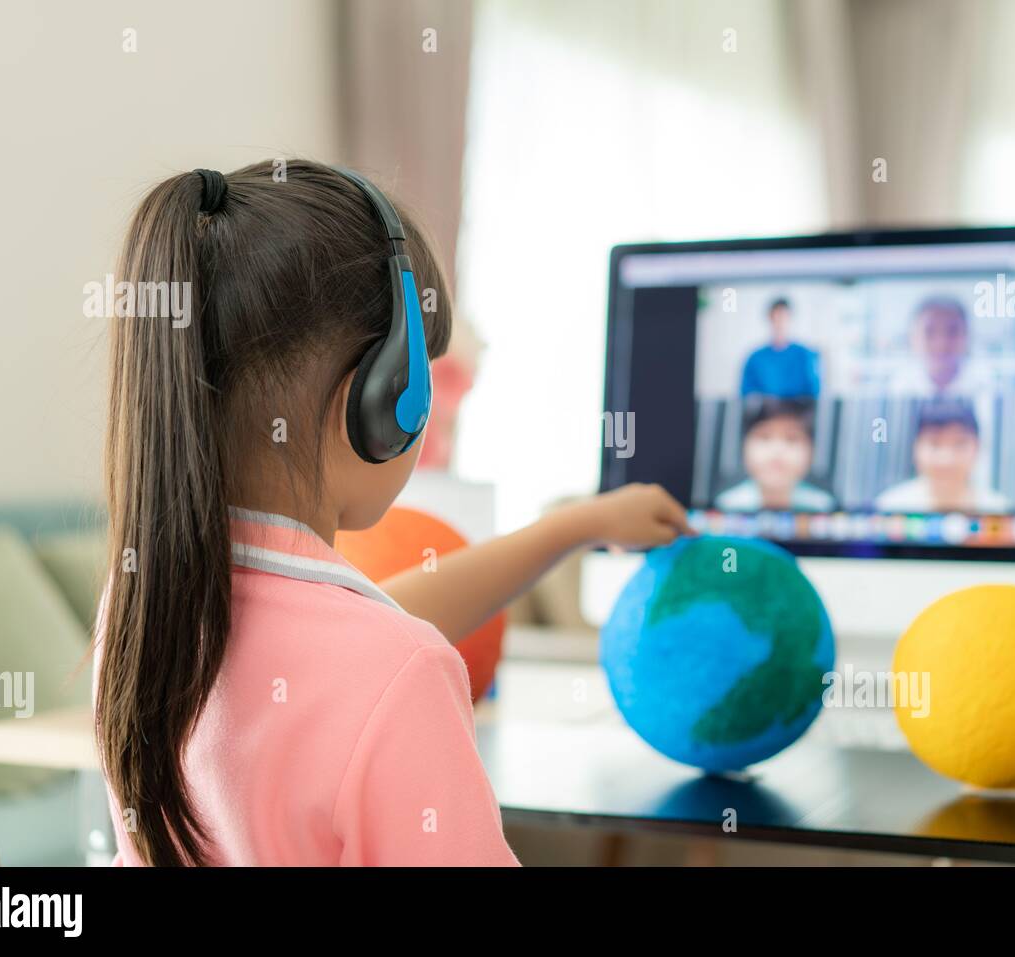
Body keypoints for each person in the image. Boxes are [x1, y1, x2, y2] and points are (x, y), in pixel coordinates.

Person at [94, 161, 691, 866]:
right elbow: (376, 663)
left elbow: (350, 645)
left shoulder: (141, 609)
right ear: (385, 400)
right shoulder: (395, 673)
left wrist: (576, 525)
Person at [875, 399, 1009, 513]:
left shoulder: (999, 509)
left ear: (978, 448)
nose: (946, 460)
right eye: (934, 444)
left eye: (959, 444)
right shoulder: (889, 506)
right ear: (915, 448)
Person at [716, 397, 835, 512]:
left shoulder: (823, 507)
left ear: (811, 450)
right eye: (764, 437)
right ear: (743, 447)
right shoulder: (725, 505)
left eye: (791, 439)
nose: (777, 450)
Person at [889, 296, 988, 397]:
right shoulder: (899, 388)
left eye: (952, 332)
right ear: (913, 338)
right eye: (929, 332)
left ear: (967, 336)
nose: (941, 344)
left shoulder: (986, 385)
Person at [740, 297, 821, 399]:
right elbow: (747, 394)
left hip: (797, 413)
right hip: (766, 413)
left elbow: (813, 393)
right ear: (770, 319)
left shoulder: (805, 355)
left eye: (783, 318)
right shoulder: (755, 358)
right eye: (776, 318)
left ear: (790, 319)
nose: (780, 323)